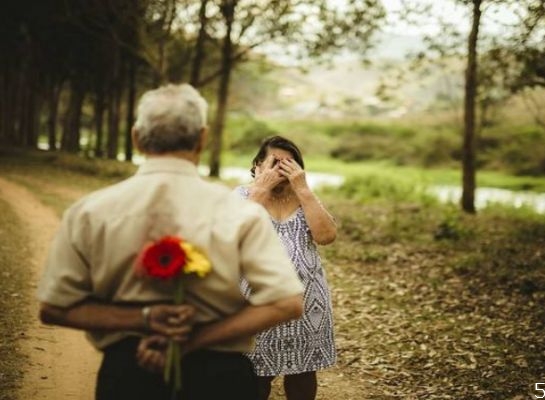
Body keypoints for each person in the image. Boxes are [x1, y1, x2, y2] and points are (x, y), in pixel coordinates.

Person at [37, 84, 304, 400]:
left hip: (130, 373)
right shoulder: (240, 212)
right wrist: (194, 339)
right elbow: (287, 303)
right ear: (203, 139)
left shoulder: (90, 211)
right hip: (221, 377)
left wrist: (143, 319)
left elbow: (54, 308)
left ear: (136, 138)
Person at [236, 136, 337, 400]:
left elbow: (326, 236)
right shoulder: (242, 195)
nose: (281, 170)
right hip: (256, 301)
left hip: (307, 302)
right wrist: (260, 190)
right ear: (258, 165)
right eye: (274, 162)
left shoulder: (306, 198)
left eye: (288, 164)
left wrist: (303, 190)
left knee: (304, 374)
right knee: (255, 374)